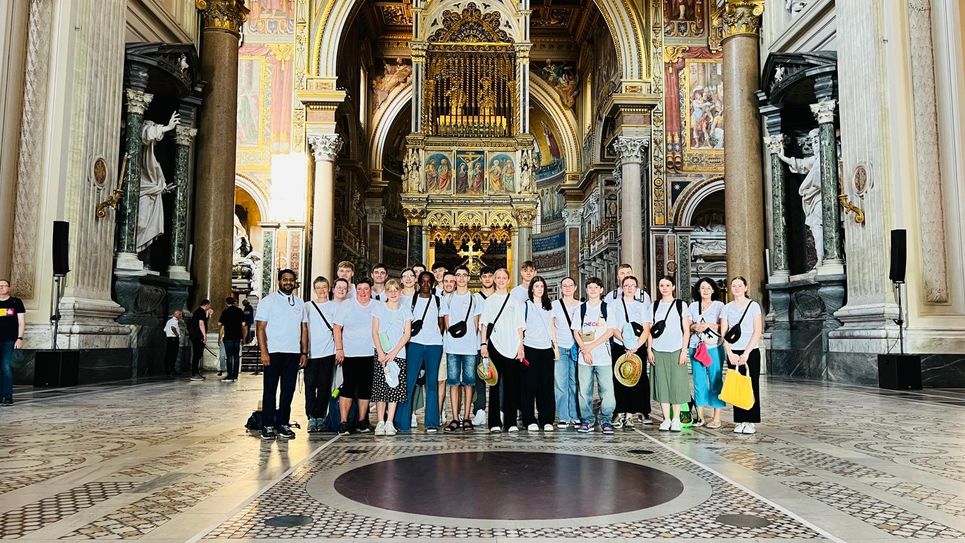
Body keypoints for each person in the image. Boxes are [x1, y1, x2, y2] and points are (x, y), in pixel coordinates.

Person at [255, 269, 309, 440]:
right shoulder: (268, 301)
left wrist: (304, 352)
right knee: (270, 390)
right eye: (285, 279)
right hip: (273, 353)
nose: (288, 282)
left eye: (291, 280)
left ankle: (283, 423)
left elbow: (304, 328)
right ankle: (268, 425)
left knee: (288, 391)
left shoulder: (300, 303)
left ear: (295, 282)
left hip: (293, 353)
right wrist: (264, 352)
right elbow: (260, 328)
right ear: (279, 281)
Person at [394, 272, 444, 432]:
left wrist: (434, 337)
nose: (426, 284)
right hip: (415, 344)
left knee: (431, 384)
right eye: (423, 281)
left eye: (429, 282)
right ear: (418, 282)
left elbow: (442, 324)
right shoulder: (410, 301)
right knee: (409, 383)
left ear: (433, 283)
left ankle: (431, 422)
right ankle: (402, 422)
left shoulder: (438, 300)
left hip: (434, 345)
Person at [604, 264, 652, 425]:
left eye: (632, 286)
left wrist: (637, 345)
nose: (629, 288)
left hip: (638, 347)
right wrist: (625, 342)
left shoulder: (641, 305)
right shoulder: (613, 304)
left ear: (636, 287)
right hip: (619, 345)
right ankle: (619, 412)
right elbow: (612, 327)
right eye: (626, 286)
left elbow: (646, 328)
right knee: (619, 378)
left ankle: (630, 414)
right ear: (622, 286)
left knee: (635, 379)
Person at [479, 268, 525, 432]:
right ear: (494, 280)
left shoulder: (515, 301)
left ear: (508, 279)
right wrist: (483, 345)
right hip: (495, 345)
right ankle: (494, 423)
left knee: (512, 386)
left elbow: (520, 327)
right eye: (497, 277)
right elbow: (484, 325)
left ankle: (511, 422)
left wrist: (521, 347)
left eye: (503, 277)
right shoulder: (489, 301)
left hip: (513, 347)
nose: (500, 280)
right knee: (494, 385)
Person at [333, 278, 379, 435]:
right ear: (356, 290)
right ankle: (344, 422)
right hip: (350, 353)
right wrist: (339, 349)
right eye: (360, 289)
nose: (363, 292)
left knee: (365, 389)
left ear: (370, 291)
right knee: (348, 387)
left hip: (369, 353)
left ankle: (362, 421)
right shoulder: (347, 305)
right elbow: (337, 328)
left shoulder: (377, 306)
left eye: (366, 289)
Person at [647, 275, 692, 432]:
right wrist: (649, 349)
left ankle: (676, 419)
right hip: (658, 350)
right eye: (661, 285)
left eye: (667, 285)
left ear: (673, 287)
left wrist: (684, 350)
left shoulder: (681, 305)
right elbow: (650, 330)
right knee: (662, 385)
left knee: (677, 384)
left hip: (676, 349)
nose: (664, 288)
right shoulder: (654, 306)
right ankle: (666, 419)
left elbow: (686, 330)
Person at [720, 276, 764, 434]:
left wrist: (746, 353)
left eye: (740, 285)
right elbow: (724, 332)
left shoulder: (753, 306)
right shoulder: (727, 308)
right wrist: (729, 352)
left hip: (750, 351)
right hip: (733, 352)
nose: (737, 288)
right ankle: (739, 420)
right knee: (736, 385)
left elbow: (757, 331)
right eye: (734, 285)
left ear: (745, 288)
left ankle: (750, 421)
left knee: (752, 386)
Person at [572, 277, 615, 434]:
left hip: (603, 356)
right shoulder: (581, 309)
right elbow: (576, 331)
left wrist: (591, 346)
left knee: (607, 391)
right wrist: (584, 349)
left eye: (595, 287)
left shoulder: (607, 309)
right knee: (584, 390)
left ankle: (606, 419)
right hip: (585, 357)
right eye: (589, 287)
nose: (592, 290)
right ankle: (587, 420)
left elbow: (610, 331)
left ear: (601, 290)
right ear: (586, 290)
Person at [441, 265, 482, 431]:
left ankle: (466, 417)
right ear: (455, 278)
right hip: (452, 346)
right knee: (453, 382)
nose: (461, 278)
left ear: (468, 278)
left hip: (470, 347)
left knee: (469, 382)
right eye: (458, 275)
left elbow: (476, 323)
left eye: (465, 275)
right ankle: (455, 418)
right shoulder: (448, 299)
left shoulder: (475, 299)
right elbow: (446, 321)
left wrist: (472, 341)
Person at [371, 279, 412, 436]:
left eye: (396, 290)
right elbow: (374, 331)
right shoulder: (379, 308)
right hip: (381, 353)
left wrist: (394, 353)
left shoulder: (405, 310)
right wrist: (381, 353)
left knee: (394, 388)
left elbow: (406, 334)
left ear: (400, 291)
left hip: (398, 353)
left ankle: (390, 422)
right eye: (390, 290)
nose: (393, 293)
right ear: (386, 293)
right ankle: (380, 421)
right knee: (381, 388)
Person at [521, 276, 559, 432]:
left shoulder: (549, 306)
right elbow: (521, 329)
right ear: (531, 289)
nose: (539, 289)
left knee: (547, 386)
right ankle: (529, 419)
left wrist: (555, 347)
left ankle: (547, 419)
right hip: (530, 348)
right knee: (529, 386)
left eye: (542, 286)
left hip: (546, 349)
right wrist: (521, 348)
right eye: (536, 286)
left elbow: (552, 328)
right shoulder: (525, 306)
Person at [688, 277, 726, 429]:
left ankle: (716, 417)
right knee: (698, 381)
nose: (705, 290)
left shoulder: (719, 305)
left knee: (715, 380)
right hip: (696, 347)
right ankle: (701, 416)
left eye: (708, 288)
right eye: (702, 288)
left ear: (713, 290)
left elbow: (723, 325)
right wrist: (694, 327)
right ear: (698, 289)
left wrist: (709, 325)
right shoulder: (692, 306)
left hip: (713, 348)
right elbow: (688, 324)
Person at [303, 277, 337, 433]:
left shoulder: (334, 307)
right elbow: (302, 329)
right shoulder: (307, 307)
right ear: (314, 290)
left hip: (328, 353)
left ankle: (320, 417)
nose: (322, 290)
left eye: (324, 287)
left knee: (324, 386)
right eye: (318, 287)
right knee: (310, 386)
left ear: (329, 289)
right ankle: (311, 417)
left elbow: (337, 330)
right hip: (310, 353)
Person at [552, 277, 581, 428]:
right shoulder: (554, 305)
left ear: (575, 287)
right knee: (560, 383)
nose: (568, 288)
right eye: (565, 286)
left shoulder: (582, 306)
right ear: (561, 288)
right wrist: (555, 347)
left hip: (577, 348)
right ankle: (563, 416)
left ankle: (575, 415)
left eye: (570, 285)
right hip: (561, 348)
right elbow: (552, 327)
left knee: (575, 383)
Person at [470, 266, 497, 426]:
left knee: (498, 377)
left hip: (500, 343)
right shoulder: (475, 298)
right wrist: (481, 342)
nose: (487, 279)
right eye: (484, 276)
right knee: (479, 377)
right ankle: (479, 410)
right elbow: (475, 322)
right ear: (480, 279)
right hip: (479, 343)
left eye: (489, 276)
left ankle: (499, 410)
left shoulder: (501, 296)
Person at [0, 279, 25, 405]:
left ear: (9, 288)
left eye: (4, 286)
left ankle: (7, 395)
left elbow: (21, 322)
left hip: (10, 340)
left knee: (6, 367)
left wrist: (20, 338)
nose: (1, 288)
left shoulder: (16, 302)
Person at [437, 271, 456, 421]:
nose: (449, 284)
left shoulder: (464, 298)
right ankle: (439, 411)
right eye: (446, 281)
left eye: (452, 281)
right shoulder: (436, 298)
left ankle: (458, 414)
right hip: (441, 345)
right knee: (441, 380)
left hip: (457, 346)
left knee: (458, 383)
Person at [218, 297, 245, 382]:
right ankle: (235, 376)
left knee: (229, 356)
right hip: (237, 336)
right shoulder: (240, 311)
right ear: (234, 302)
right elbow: (243, 324)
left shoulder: (225, 311)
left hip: (228, 336)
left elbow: (219, 323)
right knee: (236, 356)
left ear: (226, 303)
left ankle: (230, 375)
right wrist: (243, 337)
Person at [189, 299, 211, 381]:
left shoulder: (198, 311)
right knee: (197, 354)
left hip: (196, 336)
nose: (210, 307)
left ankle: (196, 372)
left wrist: (208, 314)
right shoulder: (201, 311)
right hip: (198, 336)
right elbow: (201, 324)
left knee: (198, 355)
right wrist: (204, 335)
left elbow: (204, 321)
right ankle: (194, 374)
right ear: (206, 304)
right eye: (209, 305)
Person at [164, 311, 182, 377]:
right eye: (180, 315)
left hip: (168, 338)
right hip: (174, 339)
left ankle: (167, 370)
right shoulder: (175, 321)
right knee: (173, 354)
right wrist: (177, 334)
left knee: (168, 354)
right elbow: (173, 327)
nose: (181, 316)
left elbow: (165, 330)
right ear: (177, 315)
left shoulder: (169, 321)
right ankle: (172, 369)